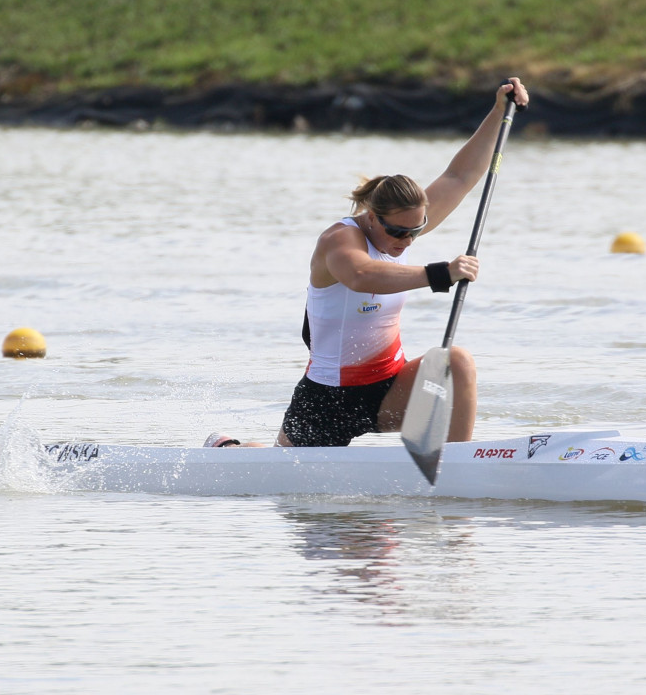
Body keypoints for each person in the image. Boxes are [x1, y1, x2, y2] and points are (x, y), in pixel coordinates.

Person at [206, 77, 530, 450]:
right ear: (372, 216)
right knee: (273, 472)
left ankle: (456, 463)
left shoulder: (402, 228)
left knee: (457, 362)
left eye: (416, 230)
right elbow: (361, 275)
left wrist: (499, 112)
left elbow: (460, 176)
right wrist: (441, 273)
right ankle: (226, 448)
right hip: (327, 400)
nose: (407, 241)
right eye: (398, 232)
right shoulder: (338, 240)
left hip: (389, 389)